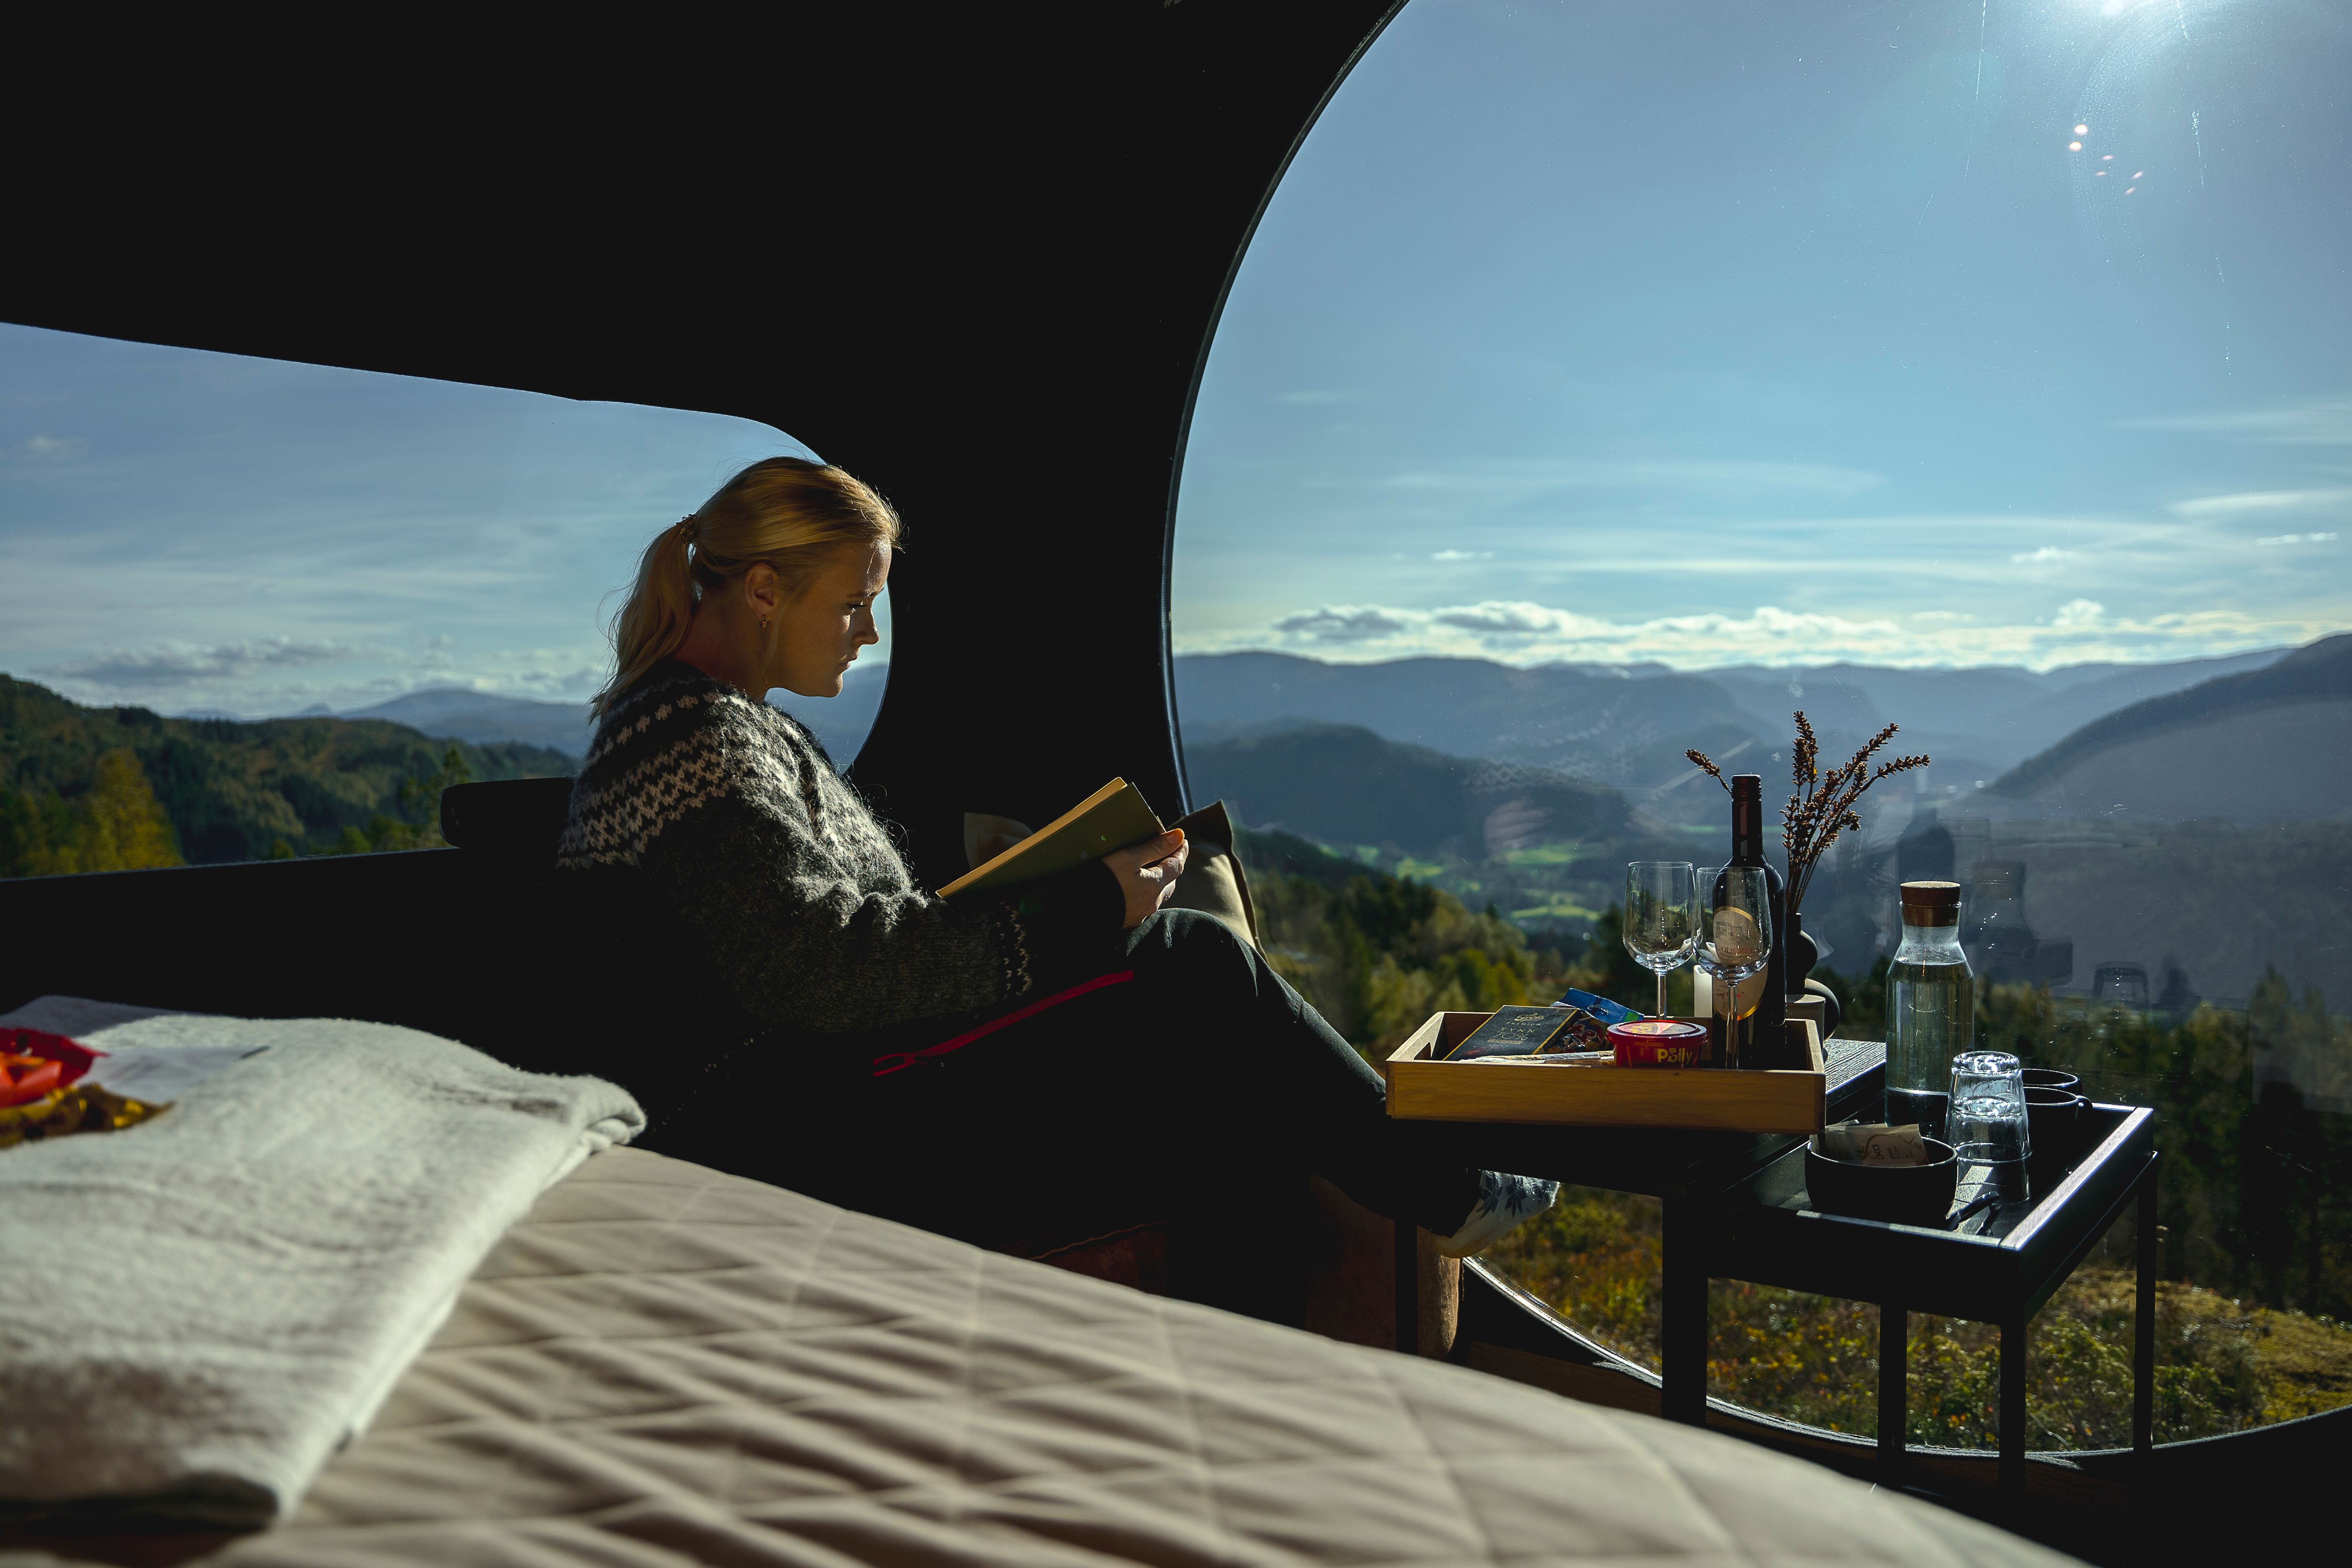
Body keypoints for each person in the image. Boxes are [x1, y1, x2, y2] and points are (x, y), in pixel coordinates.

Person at [558, 456, 1552, 1322]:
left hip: (824, 1066)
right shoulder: (695, 743)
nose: (867, 632)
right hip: (785, 1107)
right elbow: (816, 970)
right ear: (766, 591)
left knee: (1193, 1025)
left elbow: (823, 936)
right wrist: (1084, 908)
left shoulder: (727, 728)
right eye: (853, 600)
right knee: (1192, 956)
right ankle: (1443, 1186)